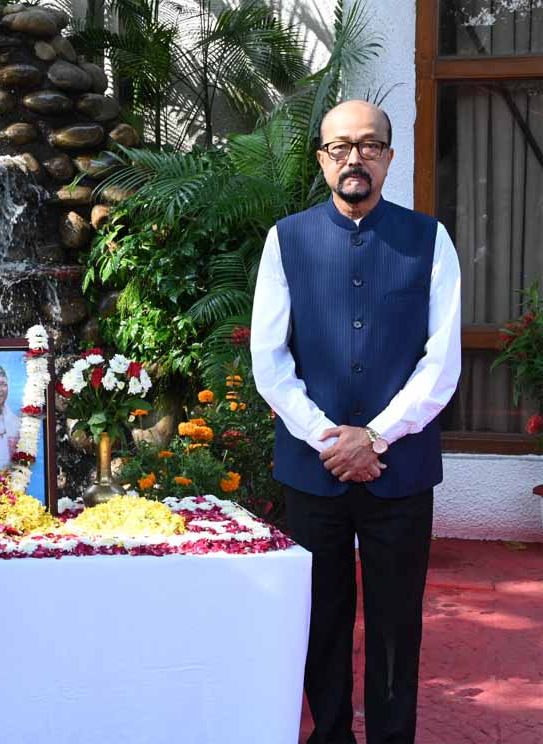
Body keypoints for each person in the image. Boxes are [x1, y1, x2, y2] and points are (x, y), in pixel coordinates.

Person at [250, 100, 462, 744]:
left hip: (402, 469)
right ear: (322, 159)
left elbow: (442, 361)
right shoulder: (286, 239)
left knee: (398, 623)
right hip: (313, 471)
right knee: (322, 618)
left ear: (389, 158)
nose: (355, 158)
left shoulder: (430, 239)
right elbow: (269, 359)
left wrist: (375, 437)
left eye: (369, 145)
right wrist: (329, 439)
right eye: (340, 147)